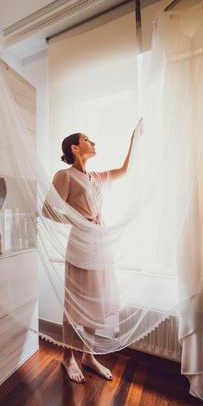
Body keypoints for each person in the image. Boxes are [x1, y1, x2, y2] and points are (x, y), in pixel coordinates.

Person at [44, 122, 140, 383]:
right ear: (75, 148)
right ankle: (67, 357)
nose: (93, 142)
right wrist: (79, 220)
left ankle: (88, 356)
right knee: (74, 303)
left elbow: (124, 170)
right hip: (80, 245)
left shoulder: (95, 177)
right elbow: (47, 210)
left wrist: (134, 140)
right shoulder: (64, 176)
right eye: (87, 139)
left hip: (100, 244)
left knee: (96, 302)